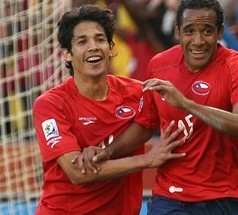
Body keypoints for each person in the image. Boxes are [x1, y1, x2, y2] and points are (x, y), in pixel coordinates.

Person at [79, 0, 238, 214]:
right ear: (177, 32)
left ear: (220, 32)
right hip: (172, 197)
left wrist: (187, 104)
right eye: (189, 31)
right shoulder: (160, 64)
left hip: (227, 196)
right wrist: (108, 151)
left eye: (207, 31)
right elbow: (145, 124)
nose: (198, 40)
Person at [32, 4, 186, 215]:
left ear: (111, 48)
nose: (93, 46)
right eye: (82, 41)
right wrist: (146, 160)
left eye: (100, 39)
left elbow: (158, 122)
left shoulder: (138, 92)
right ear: (67, 54)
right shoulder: (50, 104)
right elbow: (78, 173)